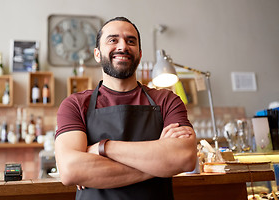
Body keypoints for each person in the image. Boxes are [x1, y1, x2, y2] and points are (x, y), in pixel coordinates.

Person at [55, 16, 197, 200]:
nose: (123, 46)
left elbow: (184, 158)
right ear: (97, 54)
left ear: (139, 53)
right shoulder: (75, 104)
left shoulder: (167, 100)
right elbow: (70, 170)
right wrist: (159, 164)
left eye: (131, 41)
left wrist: (102, 148)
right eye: (113, 40)